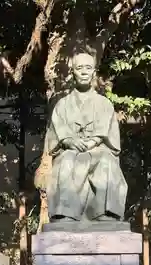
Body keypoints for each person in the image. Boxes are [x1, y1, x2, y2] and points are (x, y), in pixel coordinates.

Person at [46, 51, 128, 222]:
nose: (84, 72)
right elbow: (57, 131)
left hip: (98, 149)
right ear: (73, 72)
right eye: (79, 68)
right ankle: (66, 213)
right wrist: (69, 141)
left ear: (94, 72)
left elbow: (106, 132)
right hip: (70, 150)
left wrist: (92, 142)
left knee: (106, 161)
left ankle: (106, 212)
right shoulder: (62, 104)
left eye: (88, 68)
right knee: (67, 160)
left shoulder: (104, 103)